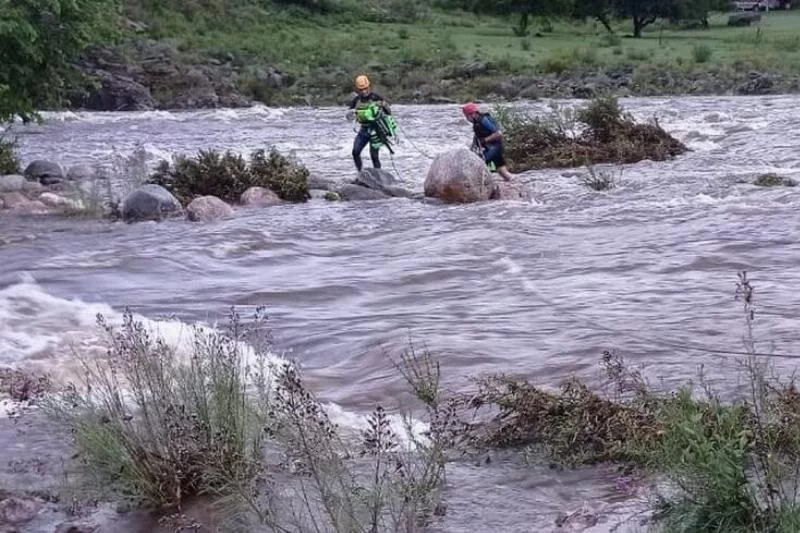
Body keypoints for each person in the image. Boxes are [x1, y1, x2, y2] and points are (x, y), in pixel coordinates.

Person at [348, 75, 392, 172]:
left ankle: (378, 175)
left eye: (365, 88)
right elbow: (348, 117)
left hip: (376, 130)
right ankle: (360, 172)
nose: (363, 91)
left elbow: (389, 112)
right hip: (363, 130)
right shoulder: (356, 100)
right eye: (361, 89)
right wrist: (351, 113)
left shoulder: (376, 97)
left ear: (369, 87)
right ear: (357, 89)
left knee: (374, 156)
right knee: (355, 152)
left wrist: (383, 105)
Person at [462, 102, 514, 182]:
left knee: (483, 165)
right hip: (490, 148)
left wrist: (484, 140)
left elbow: (499, 134)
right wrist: (471, 150)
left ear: (472, 114)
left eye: (466, 116)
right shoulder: (476, 123)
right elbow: (477, 138)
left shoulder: (484, 120)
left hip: (494, 148)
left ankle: (485, 184)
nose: (467, 119)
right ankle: (510, 180)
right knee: (500, 169)